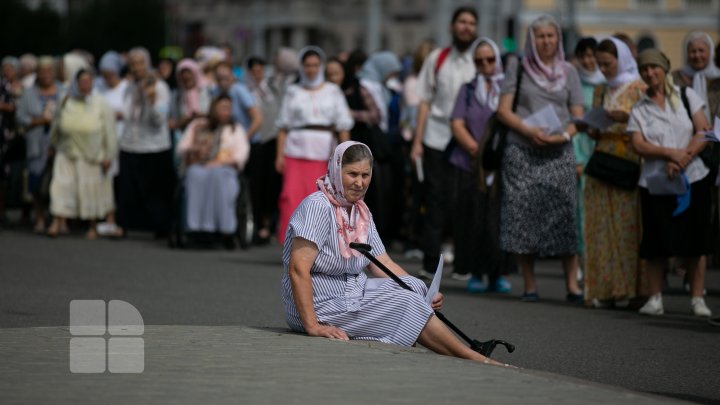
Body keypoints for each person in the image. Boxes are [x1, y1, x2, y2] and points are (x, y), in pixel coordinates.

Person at [281, 141, 506, 366]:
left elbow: (383, 262)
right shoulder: (317, 207)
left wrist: (425, 292)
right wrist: (312, 326)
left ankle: (454, 347)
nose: (360, 183)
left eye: (365, 175)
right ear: (336, 170)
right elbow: (298, 269)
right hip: (319, 304)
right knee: (406, 301)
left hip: (349, 292)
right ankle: (473, 358)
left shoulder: (360, 210)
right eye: (352, 174)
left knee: (415, 288)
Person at [496, 15, 584, 303]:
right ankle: (530, 285)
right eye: (540, 36)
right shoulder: (518, 66)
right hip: (522, 150)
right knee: (523, 216)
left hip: (559, 152)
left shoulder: (569, 70)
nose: (546, 41)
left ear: (558, 38)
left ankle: (572, 285)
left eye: (551, 36)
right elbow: (504, 110)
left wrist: (563, 137)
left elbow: (578, 116)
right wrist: (528, 130)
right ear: (531, 40)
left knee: (564, 215)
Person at [628, 49, 714, 317]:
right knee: (655, 242)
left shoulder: (687, 96)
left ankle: (697, 298)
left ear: (664, 68)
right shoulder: (639, 107)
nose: (649, 73)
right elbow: (638, 143)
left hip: (693, 177)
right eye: (644, 69)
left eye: (654, 67)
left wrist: (683, 158)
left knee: (695, 241)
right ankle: (655, 298)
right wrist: (669, 154)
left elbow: (704, 130)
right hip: (656, 182)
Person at [410, 6, 478, 278]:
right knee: (435, 201)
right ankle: (430, 263)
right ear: (452, 26)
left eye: (471, 23)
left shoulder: (480, 60)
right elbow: (424, 101)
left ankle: (463, 264)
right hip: (436, 138)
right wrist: (417, 142)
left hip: (468, 140)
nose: (466, 27)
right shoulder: (438, 59)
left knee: (464, 202)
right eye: (462, 22)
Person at [583, 38, 648, 308]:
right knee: (602, 229)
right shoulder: (600, 89)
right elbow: (594, 127)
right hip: (602, 158)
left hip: (627, 158)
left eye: (607, 64)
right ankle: (607, 289)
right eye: (600, 64)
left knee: (627, 229)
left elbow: (648, 121)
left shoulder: (639, 88)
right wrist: (593, 127)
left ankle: (634, 290)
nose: (604, 69)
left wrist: (625, 118)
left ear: (620, 60)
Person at [449, 37, 514, 293]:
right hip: (470, 163)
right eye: (479, 61)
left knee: (498, 219)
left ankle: (497, 274)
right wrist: (477, 150)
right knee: (473, 219)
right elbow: (457, 123)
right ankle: (475, 271)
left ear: (497, 59)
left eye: (489, 59)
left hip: (500, 166)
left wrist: (493, 155)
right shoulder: (468, 89)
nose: (485, 65)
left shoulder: (508, 90)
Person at [275, 46, 353, 245]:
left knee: (321, 200)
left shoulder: (333, 91)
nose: (311, 69)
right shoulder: (293, 91)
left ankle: (318, 243)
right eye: (307, 65)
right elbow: (282, 125)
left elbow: (343, 125)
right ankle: (292, 242)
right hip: (295, 151)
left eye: (315, 65)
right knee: (291, 197)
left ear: (321, 67)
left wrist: (344, 156)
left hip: (323, 153)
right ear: (302, 67)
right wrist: (279, 155)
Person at [46, 69, 117, 239]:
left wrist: (109, 155)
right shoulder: (66, 101)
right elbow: (56, 126)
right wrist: (52, 145)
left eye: (88, 81)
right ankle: (57, 222)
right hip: (67, 151)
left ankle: (92, 226)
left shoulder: (101, 103)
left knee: (91, 189)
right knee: (61, 186)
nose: (85, 85)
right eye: (82, 81)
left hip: (92, 154)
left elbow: (110, 132)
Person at [115, 47, 174, 238]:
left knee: (155, 192)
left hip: (154, 146)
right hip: (130, 144)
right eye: (132, 64)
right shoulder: (129, 87)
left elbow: (159, 120)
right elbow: (126, 114)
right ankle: (124, 225)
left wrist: (151, 99)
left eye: (140, 63)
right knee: (127, 189)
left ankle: (160, 226)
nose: (136, 68)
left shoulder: (160, 87)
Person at [176, 94, 249, 246]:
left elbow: (241, 154)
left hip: (224, 167)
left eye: (228, 108)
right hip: (200, 165)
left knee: (218, 176)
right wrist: (196, 149)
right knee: (194, 174)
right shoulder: (198, 125)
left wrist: (222, 161)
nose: (226, 112)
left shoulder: (235, 129)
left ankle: (224, 228)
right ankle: (195, 227)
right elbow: (181, 148)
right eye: (222, 108)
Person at [356, 51, 403, 240]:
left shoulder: (380, 86)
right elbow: (378, 116)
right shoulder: (368, 85)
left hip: (382, 142)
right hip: (373, 143)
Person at [16, 57, 63, 233]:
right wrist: (39, 120)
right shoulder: (29, 93)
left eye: (49, 71)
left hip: (58, 142)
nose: (46, 75)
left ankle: (57, 218)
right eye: (42, 71)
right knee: (36, 181)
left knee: (57, 181)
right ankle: (40, 216)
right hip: (36, 142)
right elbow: (20, 117)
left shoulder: (62, 91)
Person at [572, 37, 602, 274]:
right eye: (583, 56)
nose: (588, 60)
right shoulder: (575, 84)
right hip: (581, 151)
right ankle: (583, 259)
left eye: (592, 55)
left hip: (601, 152)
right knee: (581, 211)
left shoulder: (606, 84)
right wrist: (577, 158)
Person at [246, 56, 282, 244]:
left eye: (260, 69)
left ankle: (268, 223)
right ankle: (257, 222)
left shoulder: (272, 89)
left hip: (273, 140)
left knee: (272, 184)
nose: (257, 73)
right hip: (255, 141)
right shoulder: (246, 90)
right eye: (254, 70)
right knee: (255, 183)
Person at [94, 51, 129, 236]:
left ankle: (117, 220)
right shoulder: (100, 89)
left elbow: (129, 111)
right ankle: (107, 217)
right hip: (104, 141)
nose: (107, 78)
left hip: (123, 139)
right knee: (105, 181)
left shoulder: (126, 88)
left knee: (118, 183)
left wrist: (113, 115)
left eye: (110, 74)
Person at [214, 61, 262, 138]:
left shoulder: (240, 91)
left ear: (232, 75)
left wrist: (244, 138)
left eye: (225, 77)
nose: (222, 82)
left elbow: (258, 119)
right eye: (219, 78)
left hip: (248, 141)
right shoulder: (216, 92)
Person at [170, 58, 211, 133]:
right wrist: (183, 120)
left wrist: (200, 115)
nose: (186, 76)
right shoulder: (177, 95)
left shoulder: (207, 90)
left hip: (205, 131)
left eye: (189, 73)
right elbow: (174, 119)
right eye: (183, 74)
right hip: (185, 132)